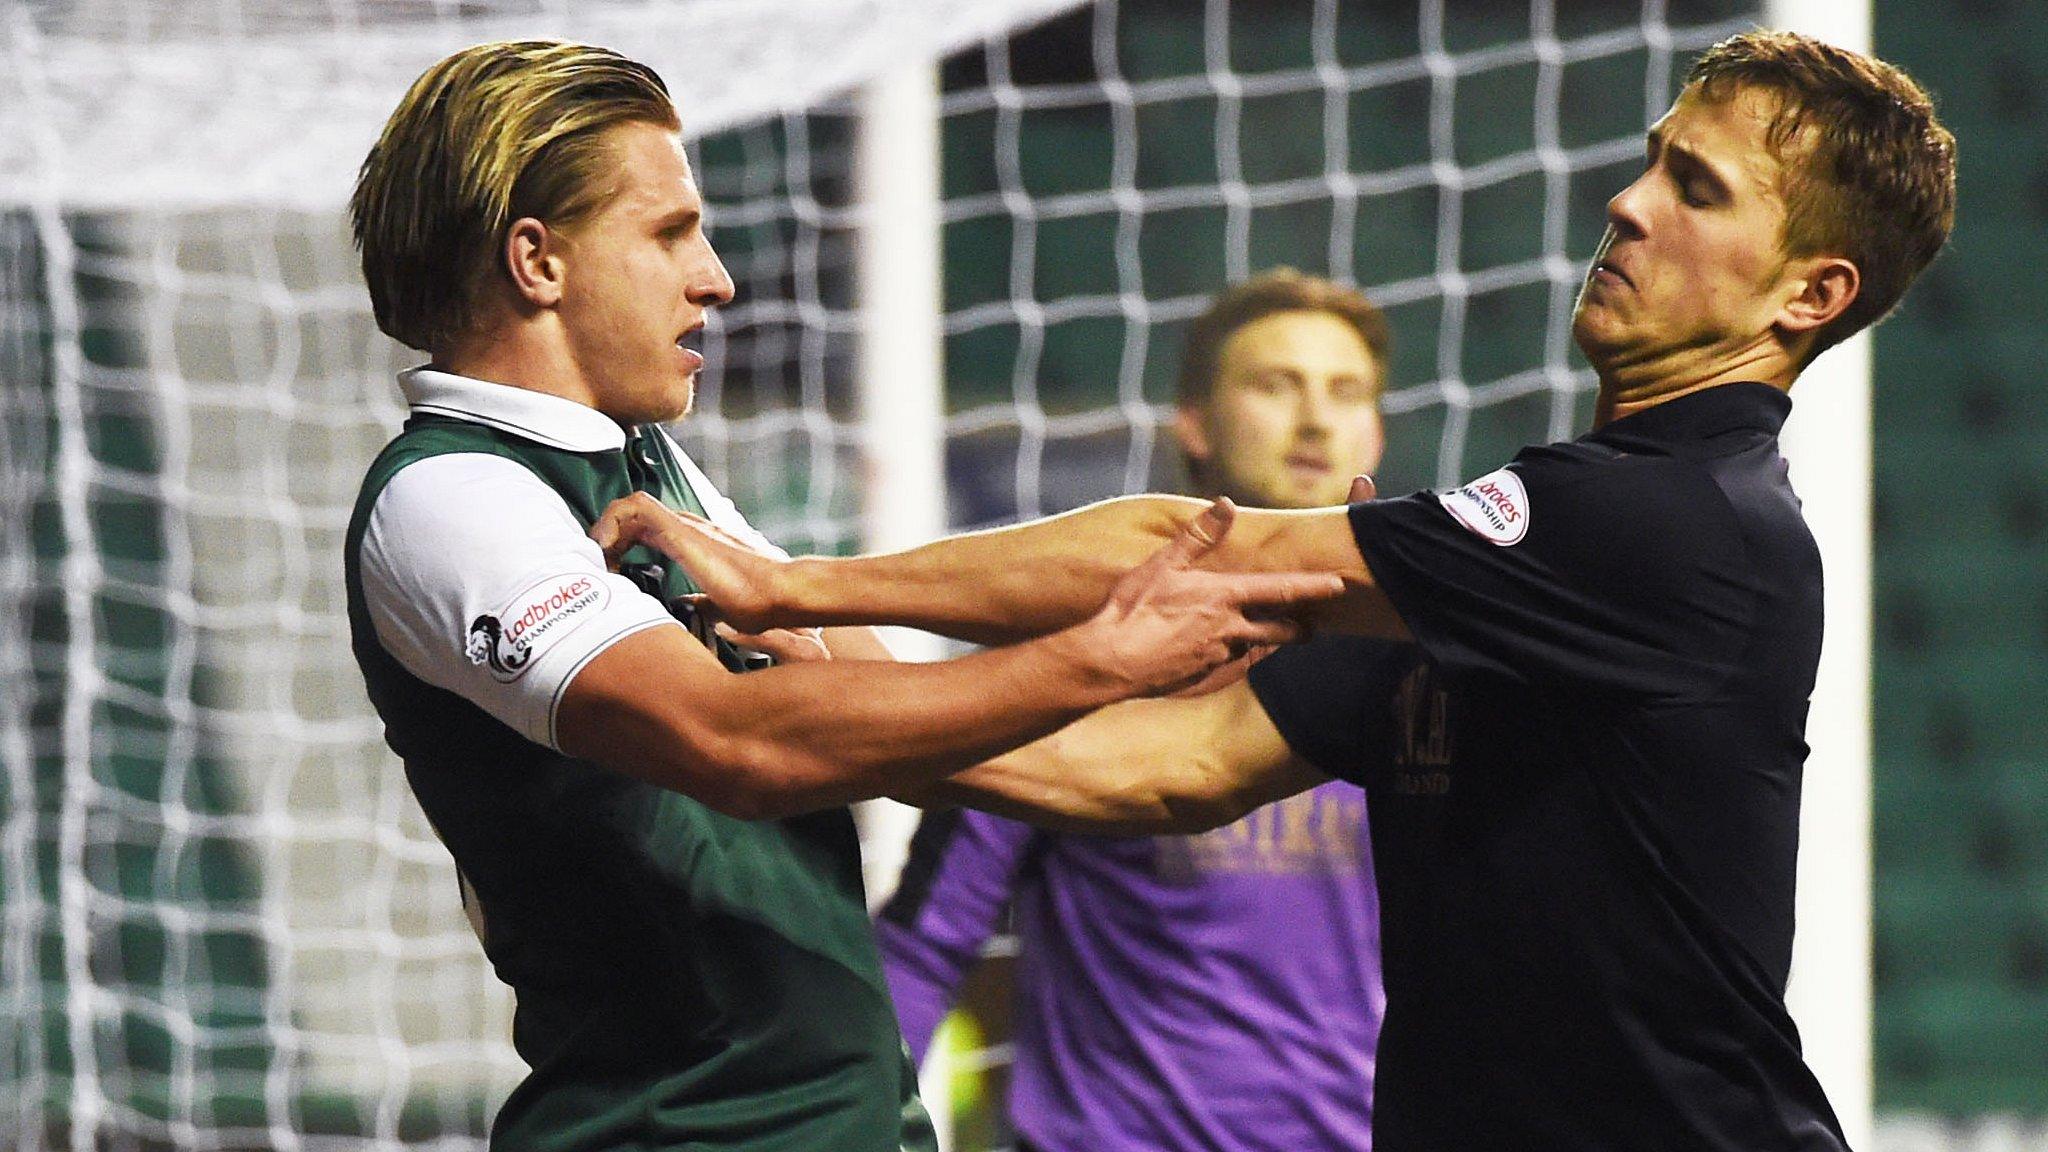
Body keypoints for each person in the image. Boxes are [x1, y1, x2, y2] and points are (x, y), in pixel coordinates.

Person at [592, 31, 1956, 1151]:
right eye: (1655, 159)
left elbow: (1201, 552)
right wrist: (793, 698)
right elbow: (1160, 768)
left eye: (1697, 189)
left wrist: (799, 591)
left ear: (1809, 293)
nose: (1629, 201)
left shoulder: (1676, 524)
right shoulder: (1521, 574)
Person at [340, 40, 1343, 1152]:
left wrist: (1391, 629)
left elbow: (1084, 760)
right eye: (671, 232)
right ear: (537, 261)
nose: (714, 276)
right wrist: (1100, 656)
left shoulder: (650, 472)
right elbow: (740, 746)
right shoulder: (451, 496)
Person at [876, 270, 1395, 1152]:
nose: (1316, 419)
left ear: (1375, 429)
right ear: (1191, 421)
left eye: (1345, 393)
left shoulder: (1412, 673)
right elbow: (925, 944)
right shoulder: (1076, 663)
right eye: (1277, 385)